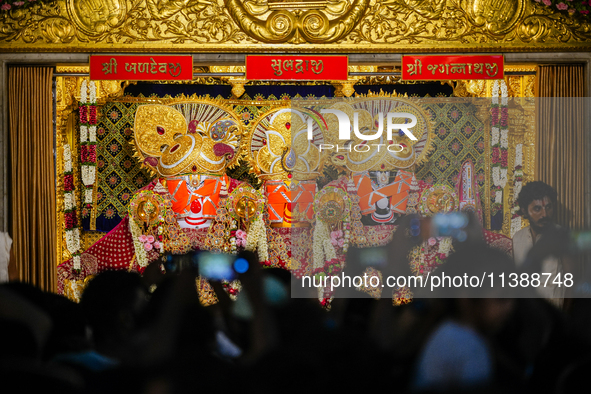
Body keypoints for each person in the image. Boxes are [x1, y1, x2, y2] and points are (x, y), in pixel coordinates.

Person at [512, 181, 564, 307]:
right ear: (525, 211)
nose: (544, 214)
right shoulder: (517, 238)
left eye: (548, 207)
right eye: (537, 209)